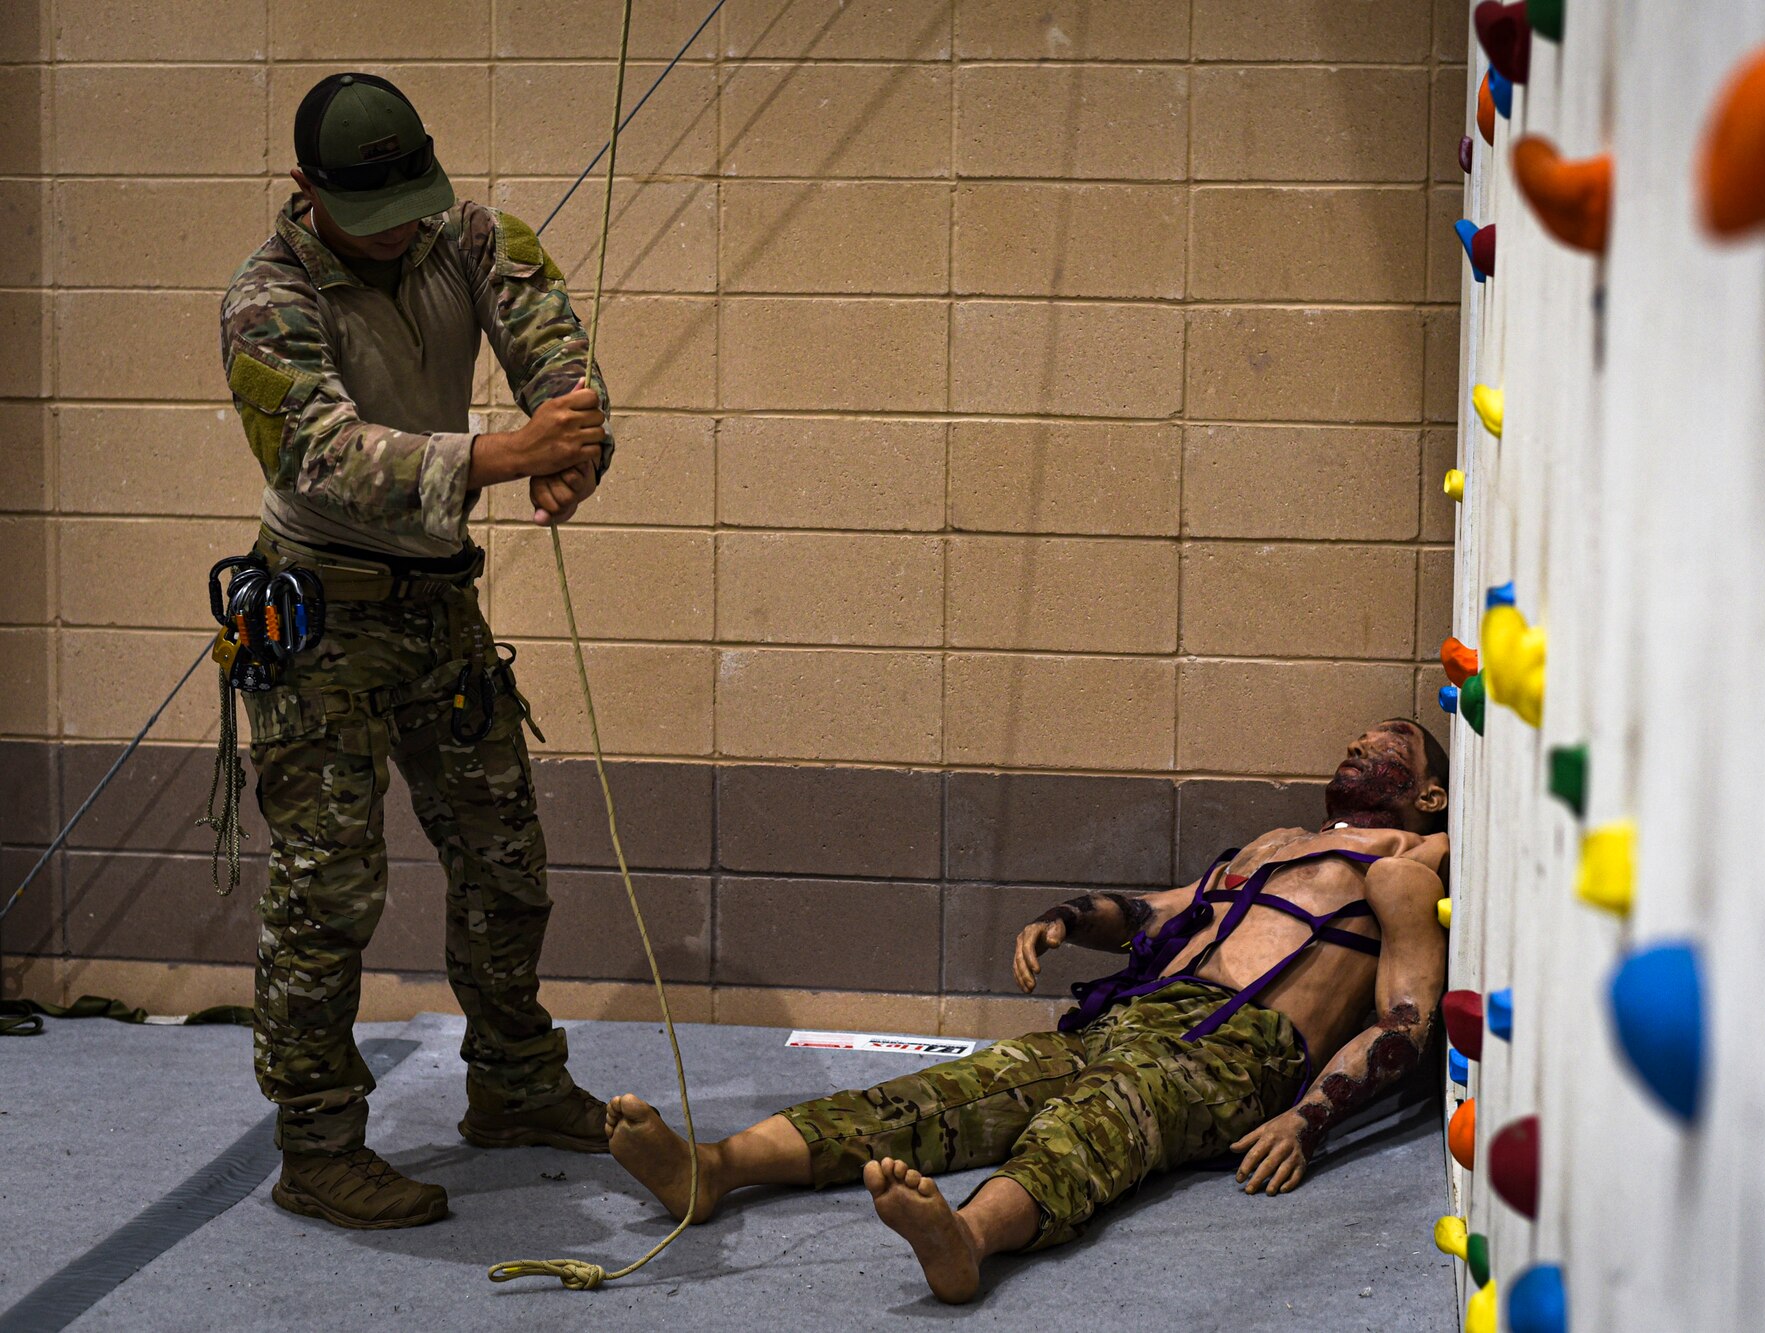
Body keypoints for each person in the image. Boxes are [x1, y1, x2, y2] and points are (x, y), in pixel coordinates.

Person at [603, 719, 1452, 1303]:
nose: (1357, 744)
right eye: (1359, 737)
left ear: (1431, 793)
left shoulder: (1405, 864)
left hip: (1236, 1049)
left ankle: (967, 1240)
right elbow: (1158, 912)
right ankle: (714, 1167)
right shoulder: (1274, 846)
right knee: (956, 1087)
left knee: (1098, 1120)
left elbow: (1405, 1022)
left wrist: (1308, 1118)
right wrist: (1068, 918)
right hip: (1138, 1012)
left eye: (1386, 744)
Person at [219, 72, 614, 1230]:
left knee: (505, 856)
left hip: (440, 610)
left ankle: (516, 1084)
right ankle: (319, 1143)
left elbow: (562, 365)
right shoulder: (265, 299)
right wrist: (504, 453)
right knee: (328, 889)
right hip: (319, 619)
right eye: (373, 206)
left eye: (413, 196)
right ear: (307, 190)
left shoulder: (473, 237)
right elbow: (321, 457)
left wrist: (571, 453)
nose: (402, 225)